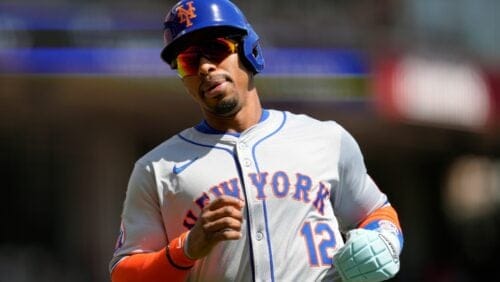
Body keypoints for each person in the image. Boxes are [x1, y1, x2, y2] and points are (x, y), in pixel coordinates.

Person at [109, 0, 404, 281]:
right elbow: (125, 275)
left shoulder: (326, 138)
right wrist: (186, 249)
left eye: (215, 49)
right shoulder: (155, 170)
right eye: (188, 61)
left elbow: (377, 212)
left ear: (250, 51)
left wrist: (384, 239)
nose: (205, 68)